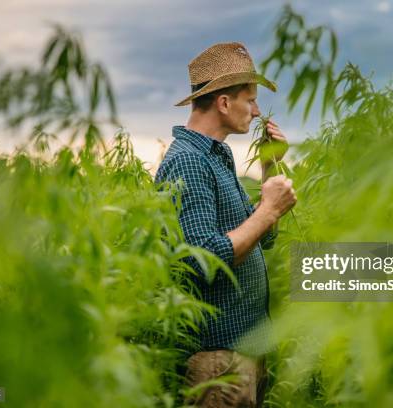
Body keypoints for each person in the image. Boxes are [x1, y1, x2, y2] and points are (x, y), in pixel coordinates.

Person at [155, 42, 296, 407]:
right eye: (250, 99)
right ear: (223, 103)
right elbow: (203, 260)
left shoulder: (217, 156)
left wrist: (268, 168)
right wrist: (267, 210)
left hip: (241, 353)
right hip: (218, 362)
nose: (256, 111)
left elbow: (258, 241)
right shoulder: (188, 162)